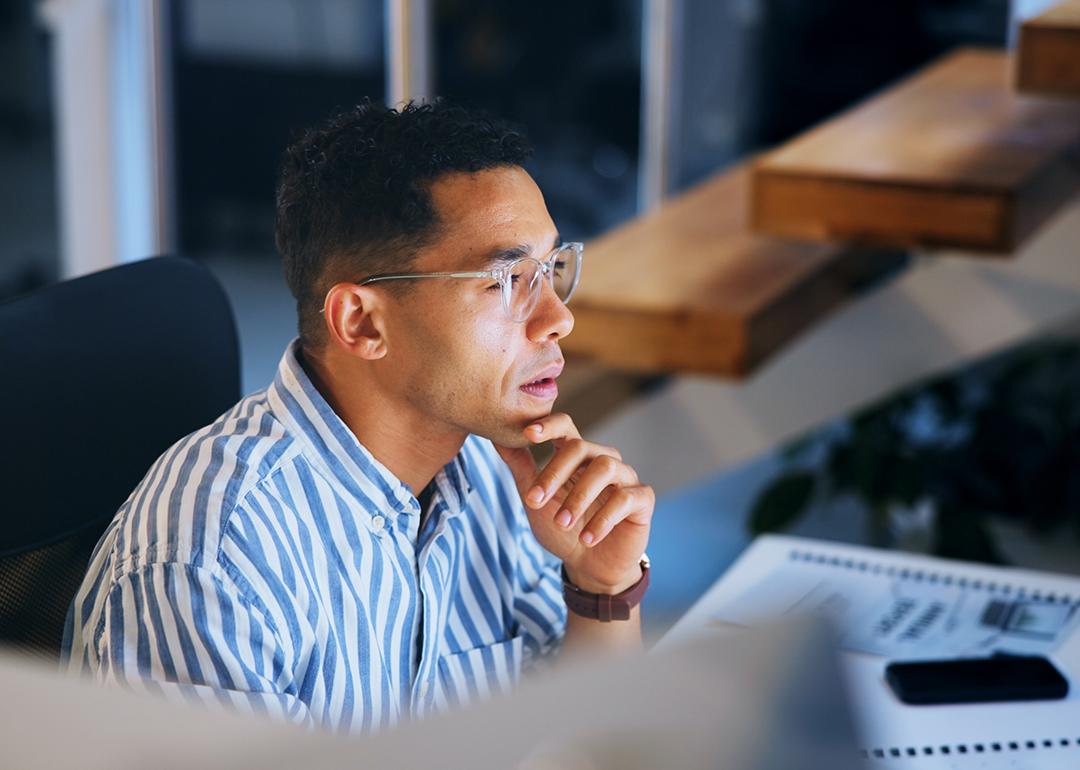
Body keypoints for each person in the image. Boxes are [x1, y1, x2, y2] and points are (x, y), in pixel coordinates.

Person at [62, 100, 654, 732]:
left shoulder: (492, 470)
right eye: (506, 280)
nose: (558, 317)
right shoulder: (211, 562)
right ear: (362, 323)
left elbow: (588, 739)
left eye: (550, 269)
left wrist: (601, 585)